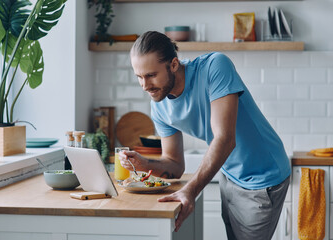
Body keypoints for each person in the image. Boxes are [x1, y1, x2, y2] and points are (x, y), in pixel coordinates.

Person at [119, 31, 291, 240]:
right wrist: (144, 163)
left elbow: (225, 139)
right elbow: (174, 164)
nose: (145, 86)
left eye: (151, 75)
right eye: (139, 77)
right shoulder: (160, 106)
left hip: (262, 175)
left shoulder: (215, 67)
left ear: (173, 64)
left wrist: (190, 191)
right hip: (229, 173)